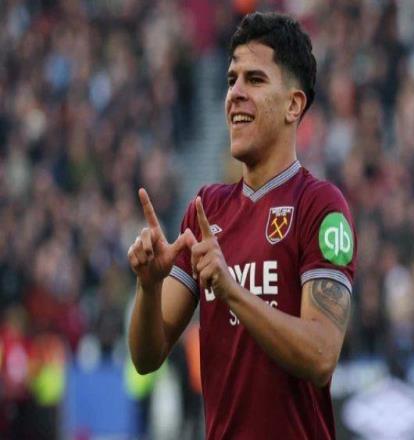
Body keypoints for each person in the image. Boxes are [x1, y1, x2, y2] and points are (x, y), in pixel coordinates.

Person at [128, 12, 357, 439]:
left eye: (255, 79)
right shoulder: (206, 210)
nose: (235, 93)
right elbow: (146, 356)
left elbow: (322, 355)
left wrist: (231, 291)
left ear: (293, 105)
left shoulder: (321, 207)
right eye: (231, 80)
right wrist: (148, 286)